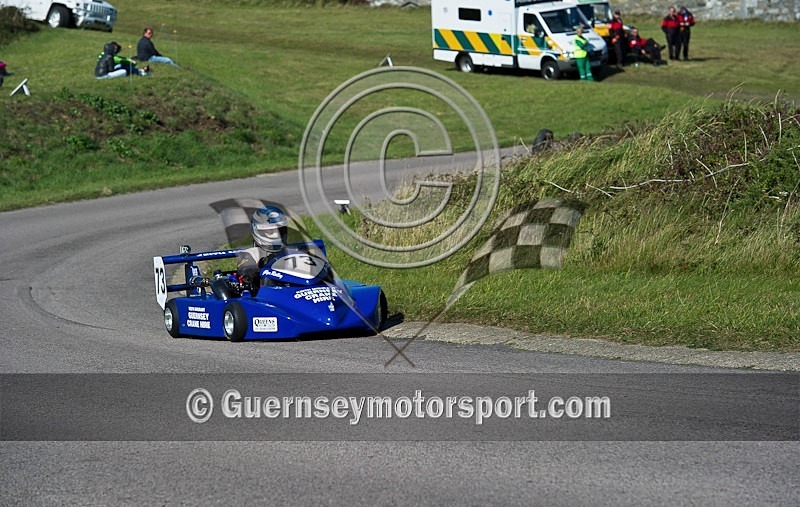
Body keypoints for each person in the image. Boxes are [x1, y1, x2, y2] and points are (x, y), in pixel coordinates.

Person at [236, 206, 290, 289]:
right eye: (270, 231)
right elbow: (246, 271)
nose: (276, 235)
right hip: (267, 292)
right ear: (259, 232)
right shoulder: (251, 254)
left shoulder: (292, 251)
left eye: (280, 230)